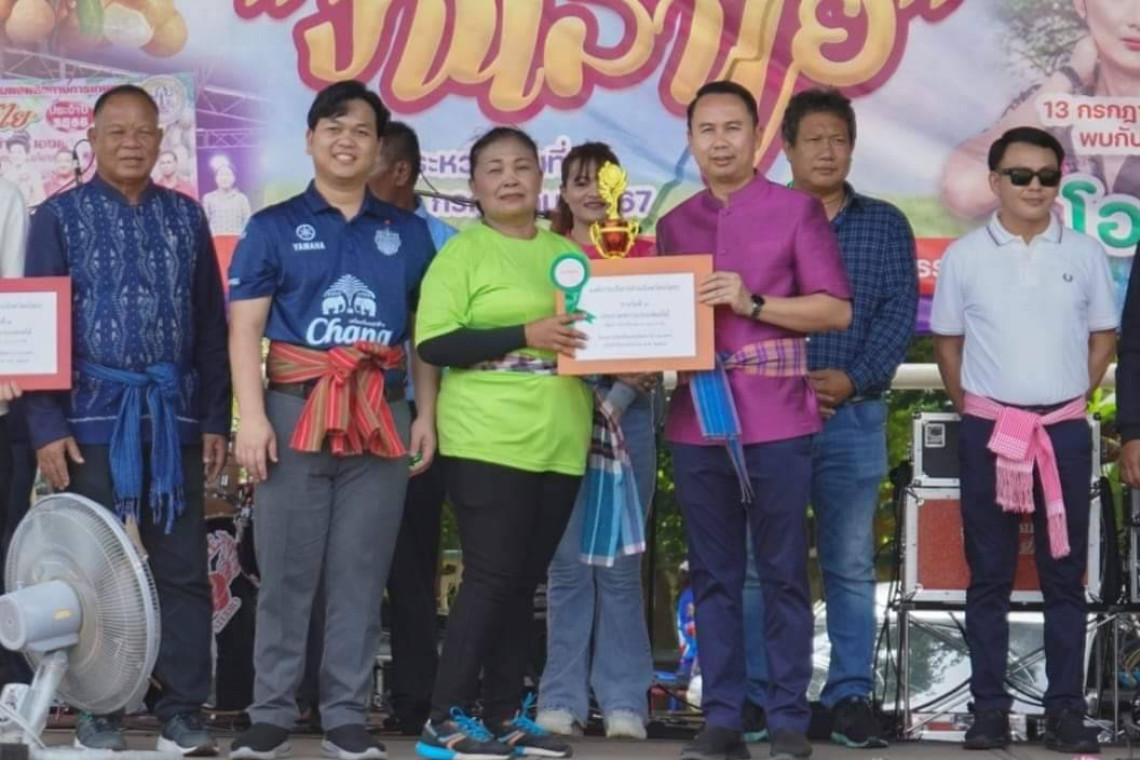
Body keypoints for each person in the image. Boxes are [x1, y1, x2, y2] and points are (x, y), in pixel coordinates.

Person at [226, 80, 437, 760]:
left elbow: (425, 335)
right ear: (311, 139)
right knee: (286, 571)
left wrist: (425, 415)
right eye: (334, 127)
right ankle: (271, 713)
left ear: (379, 148)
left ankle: (346, 716)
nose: (347, 141)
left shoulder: (407, 234)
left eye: (362, 131)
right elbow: (244, 330)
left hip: (382, 411)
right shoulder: (272, 226)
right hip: (294, 411)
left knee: (361, 571)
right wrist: (251, 419)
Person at [22, 84, 229, 756]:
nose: (132, 143)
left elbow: (210, 325)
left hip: (172, 420)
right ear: (93, 138)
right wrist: (46, 424)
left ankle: (182, 712)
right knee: (88, 576)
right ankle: (96, 710)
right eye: (117, 131)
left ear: (162, 140)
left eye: (144, 131)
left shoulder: (186, 216)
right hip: (87, 423)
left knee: (181, 569)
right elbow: (40, 325)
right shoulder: (57, 217)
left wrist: (215, 419)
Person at [658, 80, 852, 760]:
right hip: (697, 419)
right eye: (706, 130)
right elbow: (664, 321)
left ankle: (788, 716)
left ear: (756, 135)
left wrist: (753, 302)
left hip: (778, 417)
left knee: (783, 572)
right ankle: (721, 715)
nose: (720, 142)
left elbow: (835, 310)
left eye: (732, 127)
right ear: (690, 141)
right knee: (711, 573)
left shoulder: (797, 211)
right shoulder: (673, 225)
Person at [740, 88, 918, 750]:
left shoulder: (885, 224)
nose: (826, 150)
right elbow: (735, 312)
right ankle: (757, 695)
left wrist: (854, 378)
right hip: (767, 414)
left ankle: (849, 697)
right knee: (760, 562)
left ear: (852, 147)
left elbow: (898, 314)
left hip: (854, 416)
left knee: (848, 562)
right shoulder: (757, 216)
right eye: (813, 139)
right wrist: (777, 382)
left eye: (838, 139)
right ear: (786, 148)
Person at [931, 126, 1116, 754]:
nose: (1034, 186)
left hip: (1062, 430)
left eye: (1047, 176)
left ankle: (1066, 711)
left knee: (1065, 575)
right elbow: (948, 344)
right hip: (991, 432)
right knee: (990, 574)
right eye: (1020, 175)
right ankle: (988, 711)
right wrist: (978, 411)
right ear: (995, 182)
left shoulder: (1085, 252)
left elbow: (1104, 336)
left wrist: (1070, 398)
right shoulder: (964, 256)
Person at [412, 126, 593, 760]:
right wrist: (525, 331)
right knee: (490, 577)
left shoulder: (567, 253)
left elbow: (595, 333)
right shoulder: (462, 254)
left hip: (561, 438)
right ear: (474, 186)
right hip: (485, 438)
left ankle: (505, 715)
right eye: (494, 169)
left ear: (541, 178)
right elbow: (435, 343)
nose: (510, 178)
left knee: (524, 581)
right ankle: (443, 719)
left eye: (521, 166)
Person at [534, 141, 658, 741]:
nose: (592, 193)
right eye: (580, 181)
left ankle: (625, 701)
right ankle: (560, 698)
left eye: (603, 182)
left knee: (620, 567)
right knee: (566, 568)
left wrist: (622, 394)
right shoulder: (546, 255)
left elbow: (661, 338)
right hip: (562, 416)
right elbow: (541, 341)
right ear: (563, 191)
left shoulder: (646, 254)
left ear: (621, 192)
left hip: (630, 419)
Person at [364, 119, 458, 736]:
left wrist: (427, 414)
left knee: (413, 563)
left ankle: (415, 698)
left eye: (370, 161)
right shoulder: (345, 228)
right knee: (349, 560)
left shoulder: (444, 242)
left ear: (400, 171)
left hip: (422, 417)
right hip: (345, 415)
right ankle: (328, 696)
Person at [202, 160, 252, 235]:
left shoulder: (242, 198)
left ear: (234, 178)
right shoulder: (208, 198)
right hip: (215, 239)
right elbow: (203, 223)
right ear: (215, 178)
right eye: (221, 175)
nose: (224, 178)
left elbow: (248, 222)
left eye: (228, 175)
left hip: (237, 239)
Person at [3, 133, 44, 207]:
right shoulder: (6, 177)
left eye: (19, 152)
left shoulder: (34, 175)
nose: (15, 156)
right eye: (12, 152)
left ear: (27, 154)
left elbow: (40, 199)